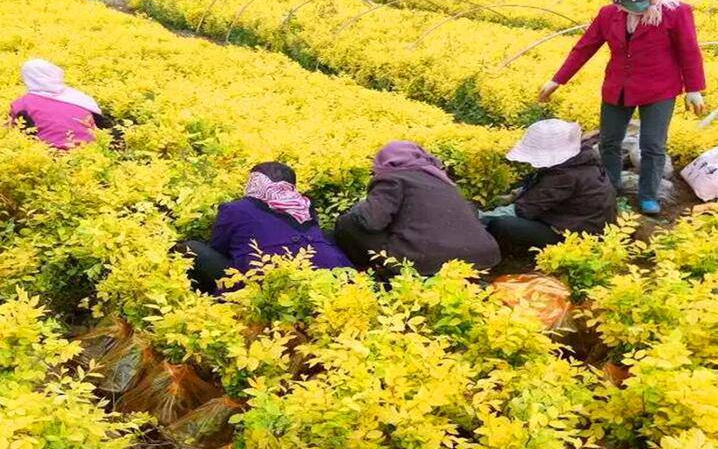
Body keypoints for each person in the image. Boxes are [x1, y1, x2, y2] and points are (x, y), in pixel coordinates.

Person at [538, 0, 706, 215]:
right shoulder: (609, 14)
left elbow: (689, 50)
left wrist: (694, 88)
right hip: (619, 87)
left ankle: (648, 195)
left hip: (659, 88)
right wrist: (558, 80)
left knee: (653, 145)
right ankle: (610, 188)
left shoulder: (675, 12)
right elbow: (585, 47)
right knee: (609, 141)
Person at [180, 162, 351, 293]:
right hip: (335, 277)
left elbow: (219, 249)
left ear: (254, 182)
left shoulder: (235, 208)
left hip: (268, 284)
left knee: (190, 249)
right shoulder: (304, 205)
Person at [334, 141, 501, 276]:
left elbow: (371, 221)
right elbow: (471, 212)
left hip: (428, 262)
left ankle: (366, 271)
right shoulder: (441, 178)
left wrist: (362, 205)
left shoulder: (392, 179)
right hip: (482, 257)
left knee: (348, 223)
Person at [483, 120, 617, 256]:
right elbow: (544, 189)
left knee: (503, 225)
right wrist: (514, 195)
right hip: (580, 224)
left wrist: (479, 218)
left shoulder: (565, 176)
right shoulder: (581, 161)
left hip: (575, 239)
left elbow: (523, 210)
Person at [9, 59, 108, 150]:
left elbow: (13, 132)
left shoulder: (22, 104)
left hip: (53, 155)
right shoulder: (79, 97)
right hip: (93, 150)